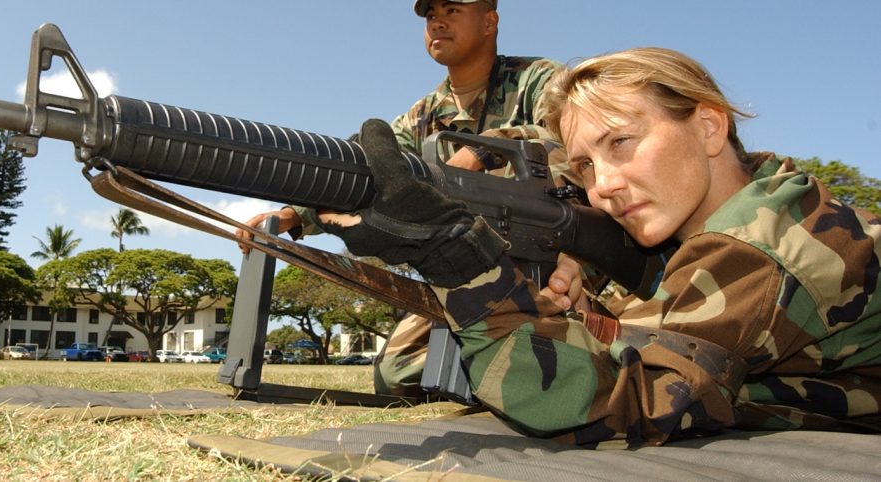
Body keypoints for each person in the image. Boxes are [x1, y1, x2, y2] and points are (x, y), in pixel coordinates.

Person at [319, 47, 881, 445]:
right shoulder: (738, 220)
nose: (603, 185)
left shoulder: (763, 250)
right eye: (585, 164)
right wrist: (586, 314)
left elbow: (611, 402)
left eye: (623, 142)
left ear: (709, 127)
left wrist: (457, 259)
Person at [234, 0, 568, 396]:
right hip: (468, 265)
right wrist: (290, 217)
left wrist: (485, 149)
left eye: (454, 9)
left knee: (566, 361)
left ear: (490, 20)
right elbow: (367, 169)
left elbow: (573, 137)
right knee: (396, 375)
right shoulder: (422, 116)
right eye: (430, 15)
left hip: (554, 262)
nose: (438, 22)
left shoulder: (538, 80)